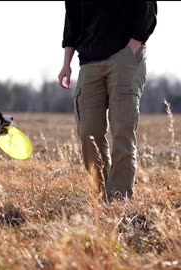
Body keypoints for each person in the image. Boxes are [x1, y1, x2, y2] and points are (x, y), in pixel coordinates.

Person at [58, 1, 157, 201]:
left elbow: (147, 8)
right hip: (88, 61)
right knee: (88, 132)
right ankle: (101, 194)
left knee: (122, 130)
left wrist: (133, 46)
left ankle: (119, 198)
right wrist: (66, 63)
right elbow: (72, 20)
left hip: (124, 56)